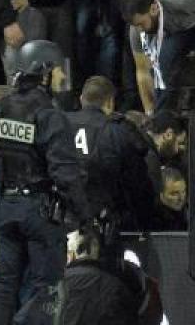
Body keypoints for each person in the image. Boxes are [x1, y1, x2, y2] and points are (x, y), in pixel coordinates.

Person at [0, 40, 91, 325]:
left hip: (6, 208)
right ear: (45, 72)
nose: (62, 77)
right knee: (45, 292)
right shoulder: (50, 115)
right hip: (41, 213)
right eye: (59, 70)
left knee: (2, 288)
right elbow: (65, 175)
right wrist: (84, 217)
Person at [66, 76, 156, 234]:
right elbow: (138, 184)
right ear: (109, 102)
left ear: (81, 99)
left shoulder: (61, 124)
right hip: (105, 224)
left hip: (64, 220)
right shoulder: (117, 131)